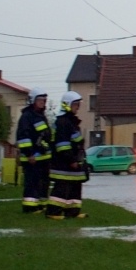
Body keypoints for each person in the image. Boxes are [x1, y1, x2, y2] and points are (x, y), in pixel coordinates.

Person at [48, 91, 89, 219]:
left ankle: (72, 212)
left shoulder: (71, 121)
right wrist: (71, 159)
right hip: (64, 163)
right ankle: (53, 212)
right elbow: (62, 145)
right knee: (61, 188)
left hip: (73, 162)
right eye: (75, 104)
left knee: (75, 188)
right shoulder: (63, 122)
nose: (78, 107)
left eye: (78, 104)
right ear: (67, 105)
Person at [14, 88, 54, 214]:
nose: (43, 102)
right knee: (32, 182)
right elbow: (23, 137)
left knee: (44, 182)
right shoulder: (27, 117)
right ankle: (30, 207)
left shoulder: (41, 116)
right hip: (32, 158)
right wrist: (29, 153)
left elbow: (46, 135)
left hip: (43, 157)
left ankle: (42, 205)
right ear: (33, 101)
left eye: (44, 100)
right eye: (40, 100)